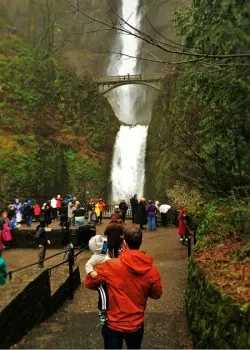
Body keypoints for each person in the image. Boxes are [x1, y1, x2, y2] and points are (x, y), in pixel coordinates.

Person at [85, 227, 162, 349]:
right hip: (136, 323)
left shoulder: (110, 266)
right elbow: (157, 294)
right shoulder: (152, 270)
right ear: (141, 242)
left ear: (124, 243)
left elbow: (89, 282)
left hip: (113, 324)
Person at [85, 235, 109, 325]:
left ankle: (105, 310)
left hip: (106, 278)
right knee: (103, 296)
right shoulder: (95, 258)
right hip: (101, 281)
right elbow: (88, 265)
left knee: (107, 295)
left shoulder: (104, 254)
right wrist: (91, 272)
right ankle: (102, 312)